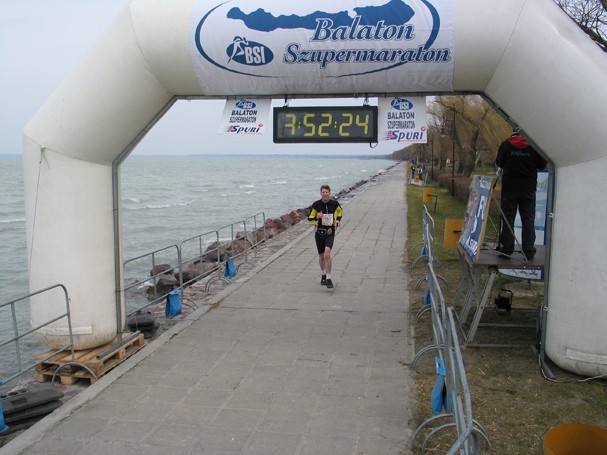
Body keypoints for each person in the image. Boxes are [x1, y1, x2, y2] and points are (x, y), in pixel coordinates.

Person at [495, 128, 547, 259]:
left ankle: (507, 249)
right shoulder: (534, 146)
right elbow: (542, 165)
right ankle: (529, 251)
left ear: (512, 131)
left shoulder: (506, 145)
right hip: (528, 189)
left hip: (509, 189)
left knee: (508, 218)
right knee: (528, 219)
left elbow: (499, 162)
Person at [308, 184, 342, 288]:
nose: (325, 194)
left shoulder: (335, 204)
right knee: (321, 256)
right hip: (319, 233)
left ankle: (328, 278)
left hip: (330, 232)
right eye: (323, 192)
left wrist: (337, 220)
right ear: (321, 193)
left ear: (329, 193)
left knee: (327, 254)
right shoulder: (316, 204)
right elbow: (309, 219)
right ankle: (323, 274)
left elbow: (340, 211)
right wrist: (317, 216)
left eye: (327, 192)